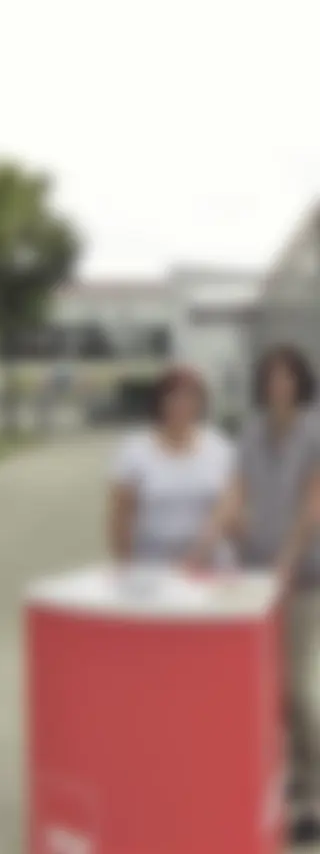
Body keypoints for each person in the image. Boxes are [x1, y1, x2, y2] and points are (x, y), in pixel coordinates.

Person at [192, 344, 320, 844]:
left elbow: (313, 503)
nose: (278, 386)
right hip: (254, 579)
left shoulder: (314, 430)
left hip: (303, 576)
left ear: (300, 382)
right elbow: (234, 495)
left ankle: (311, 791)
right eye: (270, 378)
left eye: (286, 377)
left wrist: (285, 564)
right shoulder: (250, 433)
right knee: (263, 688)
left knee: (293, 686)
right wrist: (202, 546)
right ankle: (279, 779)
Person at [106, 366, 236, 568]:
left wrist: (204, 547)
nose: (182, 405)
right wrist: (124, 566)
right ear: (160, 402)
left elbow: (229, 503)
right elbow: (120, 518)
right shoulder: (135, 450)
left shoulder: (218, 446)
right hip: (152, 563)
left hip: (208, 561)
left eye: (190, 397)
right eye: (173, 398)